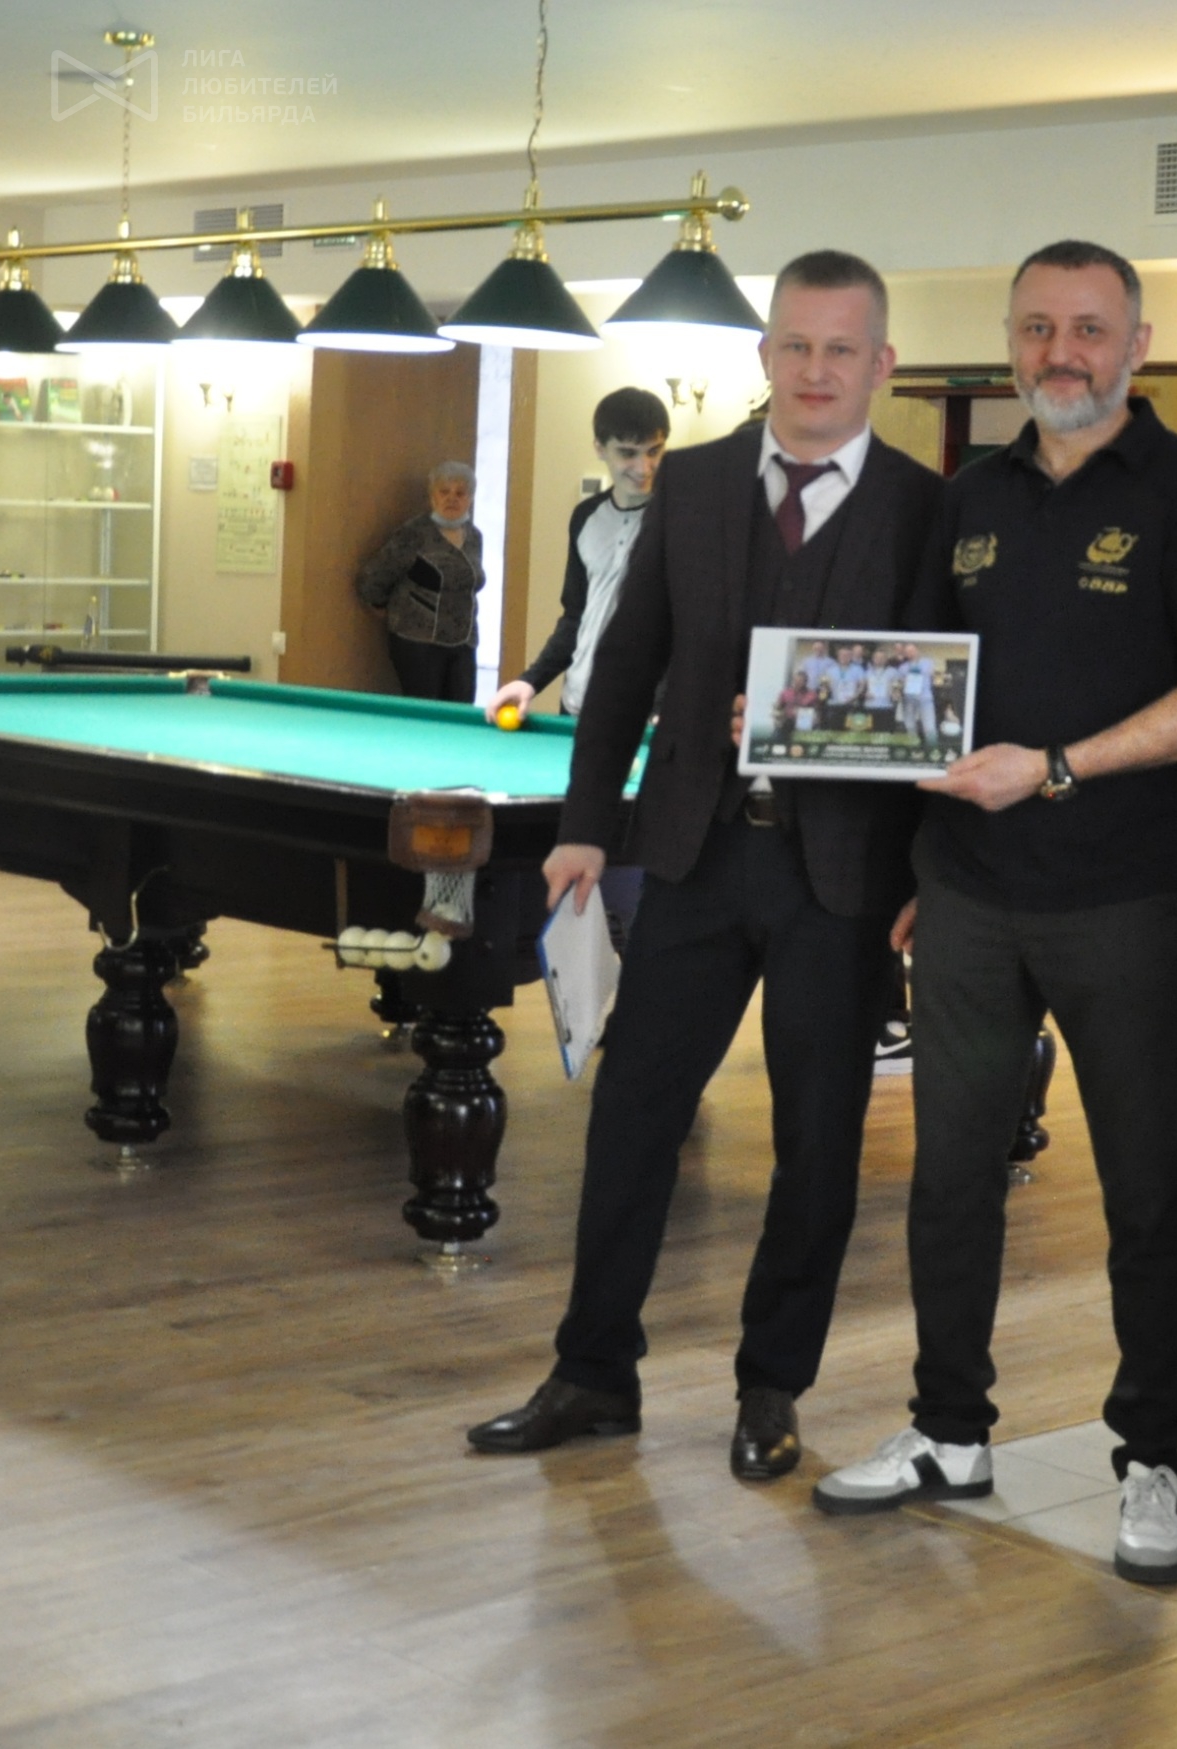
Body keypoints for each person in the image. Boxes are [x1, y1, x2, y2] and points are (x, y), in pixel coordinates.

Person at [812, 241, 1177, 1593]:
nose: (1059, 352)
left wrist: (1058, 768)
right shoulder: (968, 495)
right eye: (1034, 328)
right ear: (1009, 341)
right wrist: (807, 729)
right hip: (965, 893)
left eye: (1087, 328)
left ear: (1137, 344)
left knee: (1145, 1186)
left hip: (1117, 894)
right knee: (948, 1178)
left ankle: (1152, 1459)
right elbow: (921, 691)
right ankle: (949, 1430)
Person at [465, 250, 941, 1485]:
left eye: (842, 350)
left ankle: (771, 1387)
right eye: (797, 346)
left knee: (816, 1143)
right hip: (689, 852)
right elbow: (626, 660)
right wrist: (585, 824)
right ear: (766, 354)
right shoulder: (697, 482)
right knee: (632, 1117)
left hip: (842, 876)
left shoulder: (926, 506)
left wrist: (800, 719)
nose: (817, 370)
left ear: (881, 365)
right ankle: (591, 1372)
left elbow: (939, 697)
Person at [486, 385, 672, 937]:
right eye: (627, 453)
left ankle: (629, 966)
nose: (643, 467)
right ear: (600, 449)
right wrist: (529, 681)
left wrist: (665, 704)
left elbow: (689, 627)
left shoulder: (682, 519)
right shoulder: (586, 517)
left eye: (655, 451)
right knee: (576, 864)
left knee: (627, 883)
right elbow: (575, 616)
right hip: (579, 710)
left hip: (646, 721)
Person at [355, 460, 485, 702]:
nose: (452, 499)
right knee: (425, 713)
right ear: (432, 497)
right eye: (444, 492)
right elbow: (373, 578)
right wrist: (384, 609)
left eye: (460, 493)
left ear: (470, 498)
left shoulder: (474, 537)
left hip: (464, 641)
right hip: (417, 642)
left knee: (461, 712)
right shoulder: (414, 533)